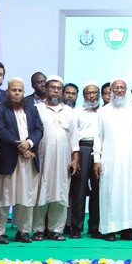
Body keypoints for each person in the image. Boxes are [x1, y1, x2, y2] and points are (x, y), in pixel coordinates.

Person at [0, 77, 44, 244]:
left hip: (28, 159)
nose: (16, 93)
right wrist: (20, 145)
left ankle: (23, 231)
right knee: (3, 197)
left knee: (26, 197)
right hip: (8, 159)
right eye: (13, 90)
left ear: (23, 92)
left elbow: (38, 129)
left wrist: (29, 143)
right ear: (7, 91)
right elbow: (1, 130)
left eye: (19, 90)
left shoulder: (32, 109)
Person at [93, 79, 132, 241]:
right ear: (111, 90)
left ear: (126, 90)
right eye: (117, 88)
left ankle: (128, 229)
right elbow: (98, 137)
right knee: (109, 192)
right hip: (109, 160)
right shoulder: (103, 111)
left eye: (122, 88)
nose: (120, 90)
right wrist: (97, 159)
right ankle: (109, 229)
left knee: (130, 192)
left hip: (130, 160)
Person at [33, 76, 79, 240]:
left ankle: (55, 229)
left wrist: (75, 158)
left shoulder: (69, 111)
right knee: (41, 191)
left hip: (63, 159)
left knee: (60, 192)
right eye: (53, 87)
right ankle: (38, 229)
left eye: (59, 88)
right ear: (45, 88)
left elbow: (74, 137)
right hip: (42, 157)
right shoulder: (37, 108)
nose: (56, 91)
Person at [70, 82, 101, 238]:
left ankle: (95, 228)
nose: (92, 95)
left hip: (100, 152)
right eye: (88, 93)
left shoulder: (104, 111)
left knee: (98, 190)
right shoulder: (77, 111)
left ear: (99, 94)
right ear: (84, 96)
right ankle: (76, 228)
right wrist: (75, 155)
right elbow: (73, 134)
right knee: (79, 190)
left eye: (95, 92)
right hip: (82, 149)